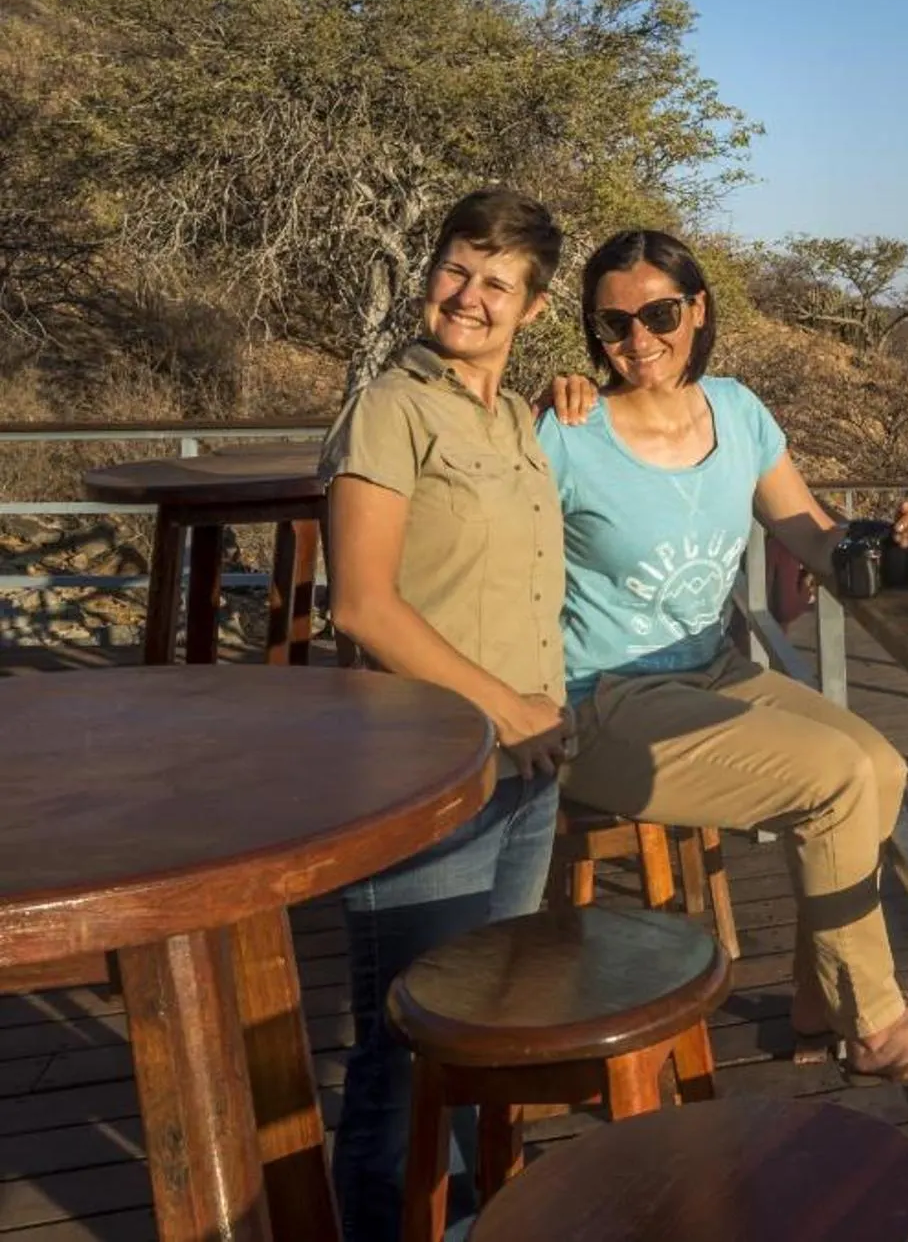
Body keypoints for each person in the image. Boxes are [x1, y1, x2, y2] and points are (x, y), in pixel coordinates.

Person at [538, 227, 908, 1090]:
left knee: (880, 764)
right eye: (613, 325)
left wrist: (899, 540)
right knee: (833, 775)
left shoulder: (740, 412)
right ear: (591, 334)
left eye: (659, 313)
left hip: (710, 668)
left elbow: (813, 538)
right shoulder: (564, 430)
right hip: (601, 700)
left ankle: (819, 995)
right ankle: (872, 1020)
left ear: (698, 307)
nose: (639, 340)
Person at [320, 188, 571, 1242]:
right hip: (422, 764)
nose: (468, 296)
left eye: (496, 282)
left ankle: (471, 1221)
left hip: (524, 767)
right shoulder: (390, 406)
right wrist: (510, 707)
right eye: (457, 269)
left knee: (484, 1024)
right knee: (403, 1037)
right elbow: (363, 601)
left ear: (534, 306)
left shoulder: (517, 418)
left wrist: (538, 717)